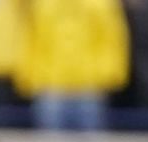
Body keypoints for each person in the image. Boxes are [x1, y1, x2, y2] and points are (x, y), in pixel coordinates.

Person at [16, 0, 129, 132]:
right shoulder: (42, 4)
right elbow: (30, 41)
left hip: (89, 88)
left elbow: (113, 41)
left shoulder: (101, 4)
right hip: (51, 88)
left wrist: (107, 77)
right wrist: (29, 79)